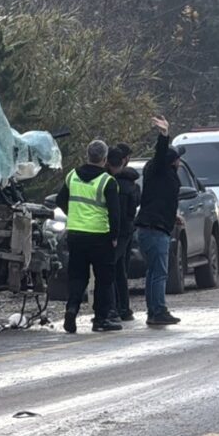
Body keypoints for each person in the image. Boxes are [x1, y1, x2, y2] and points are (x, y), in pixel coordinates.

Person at [55, 140, 123, 333]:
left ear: (87, 155)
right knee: (104, 279)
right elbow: (114, 213)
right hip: (100, 236)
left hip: (76, 234)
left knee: (77, 276)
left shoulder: (72, 176)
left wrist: (74, 215)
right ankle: (101, 319)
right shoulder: (107, 181)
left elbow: (60, 199)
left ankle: (72, 309)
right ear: (105, 158)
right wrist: (115, 235)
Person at [134, 116, 183, 326]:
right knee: (159, 272)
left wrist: (174, 217)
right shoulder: (159, 170)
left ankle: (154, 310)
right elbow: (159, 154)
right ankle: (158, 310)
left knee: (154, 271)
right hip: (154, 229)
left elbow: (163, 201)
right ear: (171, 161)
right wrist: (164, 135)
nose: (180, 162)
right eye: (178, 159)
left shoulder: (160, 177)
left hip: (155, 226)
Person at [107, 144, 141, 321]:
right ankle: (123, 308)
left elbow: (115, 212)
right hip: (126, 231)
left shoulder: (112, 183)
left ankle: (113, 308)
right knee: (120, 270)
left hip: (116, 232)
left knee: (111, 269)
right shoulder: (131, 184)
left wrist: (113, 234)